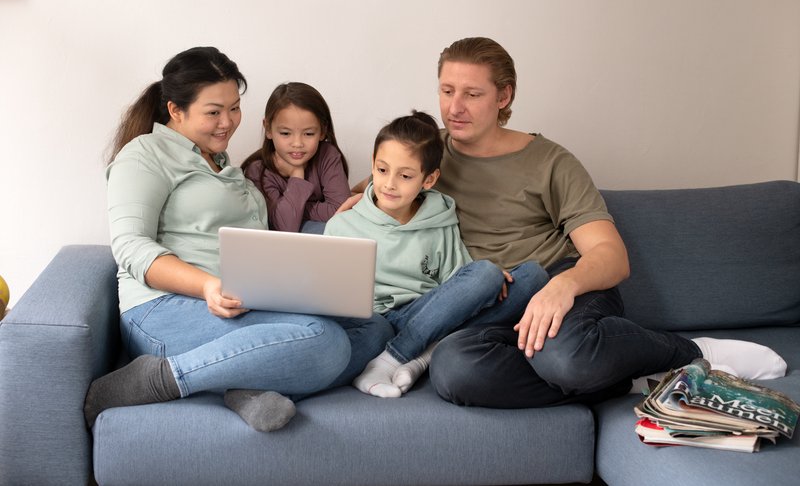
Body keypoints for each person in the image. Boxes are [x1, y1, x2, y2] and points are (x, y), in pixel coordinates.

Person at [425, 37, 788, 408]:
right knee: (454, 370)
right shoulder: (424, 154)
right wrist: (360, 200)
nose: (454, 107)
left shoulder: (550, 161)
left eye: (472, 94)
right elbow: (380, 188)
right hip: (493, 306)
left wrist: (563, 285)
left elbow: (610, 255)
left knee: (566, 358)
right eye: (447, 90)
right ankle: (618, 379)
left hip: (564, 285)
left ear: (503, 97)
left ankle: (690, 351)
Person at [85, 47, 392, 433]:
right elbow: (131, 247)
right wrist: (208, 285)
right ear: (176, 110)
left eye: (234, 108)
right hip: (165, 310)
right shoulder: (145, 154)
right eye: (213, 112)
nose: (227, 122)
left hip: (237, 299)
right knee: (323, 340)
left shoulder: (226, 165)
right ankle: (163, 378)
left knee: (374, 328)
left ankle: (242, 388)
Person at [325, 111, 549, 398]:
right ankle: (402, 357)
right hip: (375, 325)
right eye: (382, 170)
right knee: (487, 273)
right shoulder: (343, 224)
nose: (390, 183)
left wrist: (486, 282)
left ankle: (413, 358)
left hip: (428, 318)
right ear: (372, 166)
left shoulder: (441, 217)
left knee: (531, 277)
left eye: (405, 176)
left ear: (428, 180)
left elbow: (456, 282)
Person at [241, 82, 351, 234]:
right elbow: (284, 226)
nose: (297, 144)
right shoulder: (258, 171)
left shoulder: (327, 155)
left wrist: (296, 209)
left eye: (308, 134)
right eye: (285, 133)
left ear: (322, 131)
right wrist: (297, 175)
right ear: (268, 129)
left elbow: (342, 210)